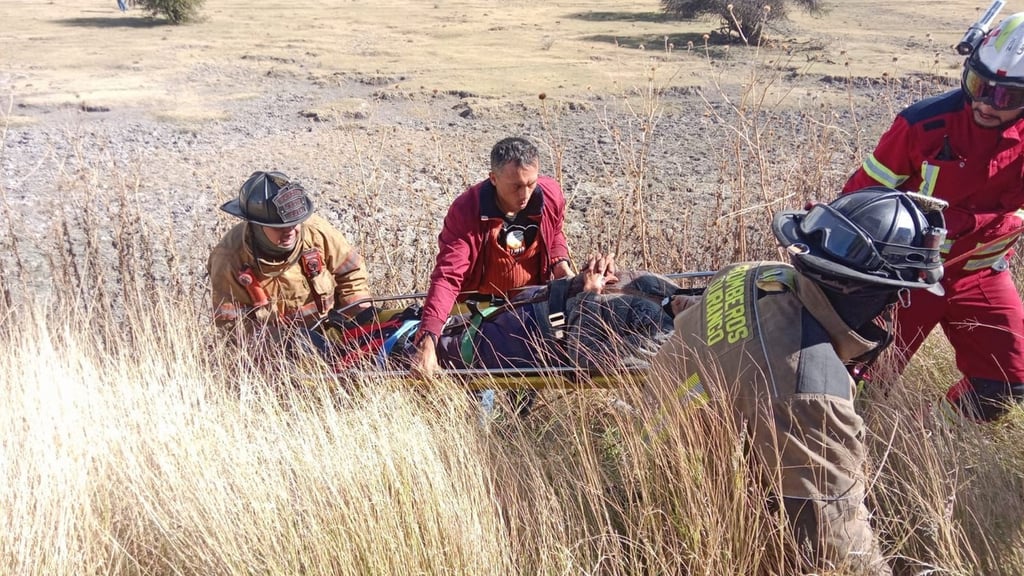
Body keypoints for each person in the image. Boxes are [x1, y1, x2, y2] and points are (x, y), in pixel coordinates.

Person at [648, 187, 946, 574]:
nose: (897, 306)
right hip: (685, 500)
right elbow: (836, 545)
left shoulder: (754, 274)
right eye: (898, 294)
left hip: (654, 436)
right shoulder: (809, 388)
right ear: (868, 291)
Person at [843, 13, 1024, 422]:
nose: (985, 103)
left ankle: (924, 434)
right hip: (905, 278)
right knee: (858, 383)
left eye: (1006, 97)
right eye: (978, 85)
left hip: (981, 276)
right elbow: (860, 196)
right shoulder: (923, 124)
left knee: (1006, 385)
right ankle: (850, 453)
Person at [411, 136, 574, 378]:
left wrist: (559, 263)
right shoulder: (466, 211)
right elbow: (448, 277)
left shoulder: (550, 195)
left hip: (528, 310)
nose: (526, 194)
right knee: (482, 387)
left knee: (525, 387)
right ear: (494, 179)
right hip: (477, 314)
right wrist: (429, 337)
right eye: (516, 186)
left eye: (531, 183)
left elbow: (555, 232)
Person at [410, 254, 688, 374]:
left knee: (441, 351)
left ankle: (378, 350)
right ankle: (387, 328)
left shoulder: (664, 339)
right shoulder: (670, 288)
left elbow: (586, 356)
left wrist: (589, 294)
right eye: (702, 297)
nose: (692, 302)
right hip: (532, 299)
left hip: (531, 337)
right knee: (439, 324)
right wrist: (596, 272)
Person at [207, 170, 372, 346]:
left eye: (294, 224)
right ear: (256, 225)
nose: (290, 232)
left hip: (334, 335)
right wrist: (288, 346)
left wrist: (358, 319)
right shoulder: (229, 258)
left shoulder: (316, 231)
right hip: (277, 353)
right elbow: (232, 325)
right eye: (280, 228)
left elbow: (352, 272)